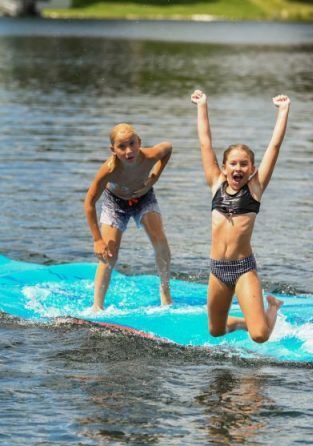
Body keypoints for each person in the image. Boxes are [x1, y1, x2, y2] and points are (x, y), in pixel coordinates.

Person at [190, 89, 289, 343]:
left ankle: (273, 308)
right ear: (224, 168)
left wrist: (283, 111)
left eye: (244, 164)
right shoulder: (216, 184)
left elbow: (274, 147)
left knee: (260, 336)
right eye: (233, 164)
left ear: (252, 169)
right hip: (217, 269)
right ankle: (243, 320)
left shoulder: (254, 189)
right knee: (215, 331)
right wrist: (202, 106)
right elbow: (205, 143)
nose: (238, 168)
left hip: (243, 268)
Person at [83, 123, 173, 310]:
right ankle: (97, 306)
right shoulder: (109, 170)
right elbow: (89, 202)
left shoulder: (150, 155)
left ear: (139, 142)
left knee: (160, 240)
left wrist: (154, 177)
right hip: (115, 202)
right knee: (109, 254)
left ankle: (165, 294)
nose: (129, 151)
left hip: (144, 197)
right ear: (113, 150)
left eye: (132, 144)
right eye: (122, 147)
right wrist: (97, 239)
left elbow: (168, 148)